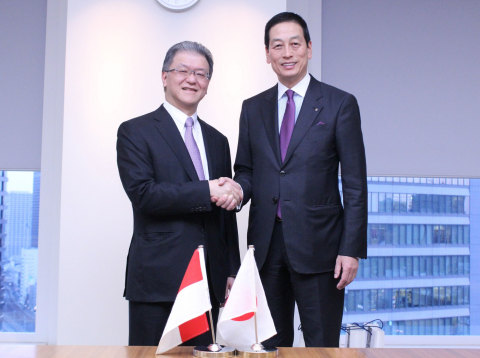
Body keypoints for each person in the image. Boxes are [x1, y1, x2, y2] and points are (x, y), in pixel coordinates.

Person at [232, 12, 367, 347]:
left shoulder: (339, 104)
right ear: (267, 54)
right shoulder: (252, 108)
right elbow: (246, 171)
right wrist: (235, 191)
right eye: (278, 46)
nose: (287, 53)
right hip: (265, 247)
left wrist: (351, 249)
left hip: (321, 248)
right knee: (267, 347)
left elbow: (354, 184)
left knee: (321, 346)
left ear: (309, 48)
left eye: (295, 44)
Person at [116, 41, 241, 346]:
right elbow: (144, 195)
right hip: (157, 279)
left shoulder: (217, 140)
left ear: (208, 84)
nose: (191, 79)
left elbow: (224, 215)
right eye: (182, 70)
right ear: (164, 77)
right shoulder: (135, 131)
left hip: (207, 280)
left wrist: (231, 269)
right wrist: (206, 189)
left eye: (201, 73)